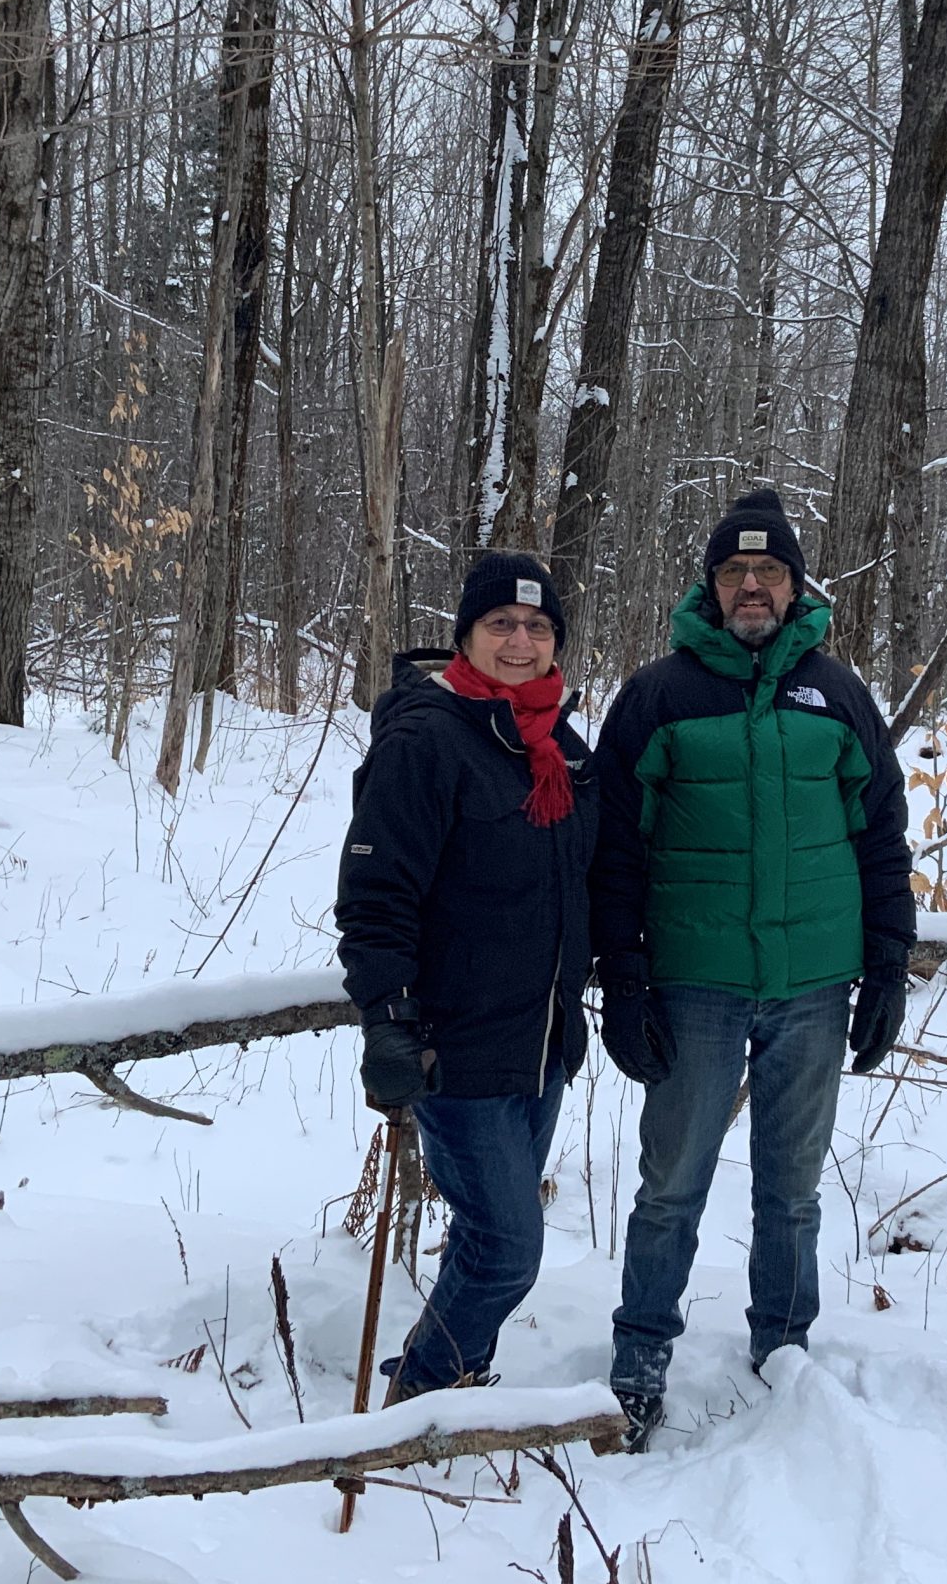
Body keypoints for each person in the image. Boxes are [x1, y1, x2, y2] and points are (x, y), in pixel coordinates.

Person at [589, 489, 915, 1450]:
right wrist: (626, 977)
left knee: (793, 1188)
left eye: (769, 571)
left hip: (814, 984)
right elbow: (616, 851)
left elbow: (881, 836)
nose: (752, 586)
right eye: (735, 571)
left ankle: (783, 1348)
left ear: (796, 585)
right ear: (711, 583)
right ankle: (641, 1352)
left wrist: (888, 961)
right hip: (695, 983)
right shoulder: (658, 696)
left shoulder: (840, 694)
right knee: (671, 1186)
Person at [334, 552, 599, 1402]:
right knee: (506, 1246)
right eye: (501, 626)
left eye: (538, 627)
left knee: (496, 1240)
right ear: (467, 637)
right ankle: (423, 1395)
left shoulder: (560, 747)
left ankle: (448, 1373)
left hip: (542, 1045)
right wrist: (388, 1018)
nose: (520, 641)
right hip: (457, 1047)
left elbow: (587, 885)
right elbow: (377, 897)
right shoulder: (427, 741)